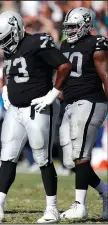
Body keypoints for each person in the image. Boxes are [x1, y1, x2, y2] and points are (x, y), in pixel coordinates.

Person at [0, 10, 72, 223]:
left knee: (42, 158)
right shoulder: (11, 48)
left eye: (7, 38)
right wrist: (7, 89)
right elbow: (12, 71)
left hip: (38, 107)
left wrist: (53, 93)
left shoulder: (38, 42)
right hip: (15, 109)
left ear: (17, 29)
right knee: (7, 156)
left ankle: (52, 209)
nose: (4, 44)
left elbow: (64, 65)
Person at [57, 7, 108, 220]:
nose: (70, 31)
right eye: (68, 27)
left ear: (86, 25)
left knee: (80, 154)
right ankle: (105, 192)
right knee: (70, 161)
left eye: (74, 26)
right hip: (69, 104)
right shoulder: (65, 44)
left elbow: (106, 76)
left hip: (91, 101)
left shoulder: (97, 43)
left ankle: (80, 205)